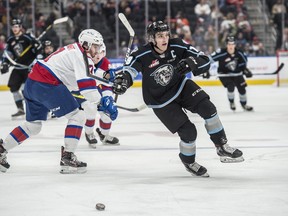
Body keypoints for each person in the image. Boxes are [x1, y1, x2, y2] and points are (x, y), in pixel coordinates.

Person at [112, 21, 244, 178]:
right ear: (152, 38)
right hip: (160, 100)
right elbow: (129, 71)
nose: (165, 39)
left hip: (181, 86)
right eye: (160, 36)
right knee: (189, 132)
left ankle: (221, 145)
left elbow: (204, 60)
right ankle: (188, 161)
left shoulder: (178, 45)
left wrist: (191, 63)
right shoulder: (141, 54)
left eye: (166, 35)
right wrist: (124, 80)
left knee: (209, 109)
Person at [0, 29, 118, 174]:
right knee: (78, 116)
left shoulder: (77, 51)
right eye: (96, 46)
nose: (98, 50)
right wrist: (103, 103)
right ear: (86, 44)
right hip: (47, 83)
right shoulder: (81, 56)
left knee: (33, 126)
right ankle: (68, 157)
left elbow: (88, 73)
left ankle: (2, 149)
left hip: (33, 83)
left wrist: (105, 75)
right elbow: (86, 88)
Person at [72, 41, 120, 148]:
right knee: (91, 109)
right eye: (96, 52)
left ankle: (104, 135)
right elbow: (86, 77)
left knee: (108, 111)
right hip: (83, 89)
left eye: (101, 52)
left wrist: (114, 87)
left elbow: (108, 84)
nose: (98, 55)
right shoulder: (82, 60)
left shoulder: (106, 63)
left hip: (98, 88)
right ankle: (89, 133)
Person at [0, 18, 42, 119]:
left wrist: (37, 46)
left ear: (20, 27)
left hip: (28, 68)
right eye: (13, 27)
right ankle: (20, 109)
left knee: (25, 89)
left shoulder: (27, 38)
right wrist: (5, 63)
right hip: (18, 67)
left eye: (16, 27)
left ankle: (33, 109)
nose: (15, 29)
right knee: (13, 87)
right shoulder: (10, 40)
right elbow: (8, 54)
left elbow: (38, 50)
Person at [207, 35, 253, 111]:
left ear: (235, 45)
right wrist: (206, 70)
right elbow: (208, 60)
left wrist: (246, 70)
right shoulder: (221, 52)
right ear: (226, 45)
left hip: (237, 74)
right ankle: (232, 102)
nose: (231, 46)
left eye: (232, 44)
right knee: (230, 86)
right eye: (229, 44)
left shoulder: (240, 53)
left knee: (242, 89)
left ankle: (244, 104)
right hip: (224, 75)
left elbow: (243, 64)